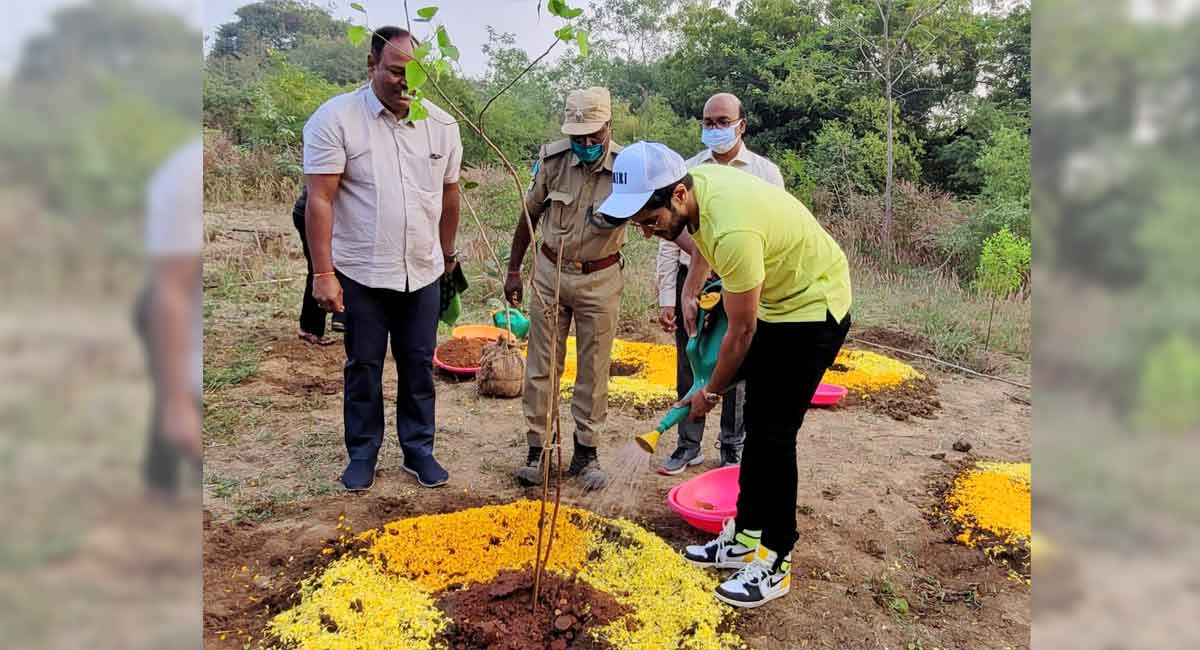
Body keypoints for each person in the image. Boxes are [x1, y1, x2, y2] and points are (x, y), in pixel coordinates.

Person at [598, 142, 852, 608]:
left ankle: (775, 560)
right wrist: (691, 289)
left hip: (814, 308)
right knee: (758, 425)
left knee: (775, 435)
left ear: (678, 195)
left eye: (650, 221)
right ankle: (744, 537)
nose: (648, 233)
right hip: (780, 303)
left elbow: (742, 331)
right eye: (639, 226)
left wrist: (710, 392)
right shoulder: (699, 188)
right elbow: (703, 243)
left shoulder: (732, 228)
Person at [303, 26, 463, 491]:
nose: (406, 83)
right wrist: (323, 273)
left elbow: (449, 195)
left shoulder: (442, 126)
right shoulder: (335, 119)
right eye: (395, 71)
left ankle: (419, 450)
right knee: (364, 366)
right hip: (362, 272)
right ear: (372, 65)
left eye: (415, 74)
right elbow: (320, 199)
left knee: (419, 364)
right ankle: (362, 453)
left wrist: (447, 256)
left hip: (423, 270)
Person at [655, 92, 785, 475]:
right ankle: (687, 444)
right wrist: (668, 296)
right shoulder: (687, 171)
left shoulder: (765, 173)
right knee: (690, 359)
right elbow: (669, 236)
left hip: (743, 280)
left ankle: (732, 446)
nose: (714, 128)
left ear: (741, 125)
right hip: (694, 281)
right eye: (708, 122)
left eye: (723, 122)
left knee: (737, 360)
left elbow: (776, 232)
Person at [505, 87, 625, 491]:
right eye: (578, 137)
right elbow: (528, 216)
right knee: (542, 364)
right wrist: (514, 270)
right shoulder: (552, 161)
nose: (586, 144)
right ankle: (538, 450)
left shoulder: (627, 168)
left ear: (609, 126)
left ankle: (586, 453)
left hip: (601, 278)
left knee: (594, 367)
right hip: (550, 273)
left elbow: (656, 218)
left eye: (594, 136)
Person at [136, 137, 203, 497]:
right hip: (170, 307)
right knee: (177, 404)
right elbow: (170, 291)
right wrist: (177, 405)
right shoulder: (184, 174)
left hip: (181, 303)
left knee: (177, 397)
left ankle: (161, 479)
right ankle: (161, 483)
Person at [292, 185, 346, 346]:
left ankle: (336, 318)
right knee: (322, 270)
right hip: (315, 217)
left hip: (327, 215)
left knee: (328, 268)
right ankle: (318, 325)